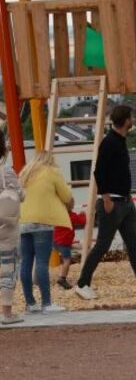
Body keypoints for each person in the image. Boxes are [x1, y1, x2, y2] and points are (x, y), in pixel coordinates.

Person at [76, 105, 136, 300]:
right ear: (126, 121)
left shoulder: (120, 141)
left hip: (126, 202)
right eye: (131, 117)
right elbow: (98, 172)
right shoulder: (109, 142)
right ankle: (82, 284)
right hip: (113, 202)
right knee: (103, 245)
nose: (133, 120)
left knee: (134, 245)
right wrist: (106, 198)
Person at [19, 151, 73, 313]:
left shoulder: (25, 173)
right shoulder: (51, 171)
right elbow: (66, 196)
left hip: (23, 222)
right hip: (43, 222)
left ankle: (30, 303)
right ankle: (47, 304)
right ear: (50, 160)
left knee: (26, 262)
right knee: (42, 263)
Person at [0, 130, 25, 324]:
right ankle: (6, 312)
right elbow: (20, 195)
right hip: (6, 225)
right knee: (8, 266)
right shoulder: (5, 170)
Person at [53, 207, 86, 289]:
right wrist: (83, 214)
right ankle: (62, 279)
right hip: (64, 242)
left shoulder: (58, 215)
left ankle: (81, 247)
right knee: (67, 260)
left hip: (55, 241)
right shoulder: (71, 215)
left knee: (68, 247)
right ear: (70, 207)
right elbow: (83, 221)